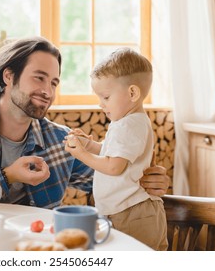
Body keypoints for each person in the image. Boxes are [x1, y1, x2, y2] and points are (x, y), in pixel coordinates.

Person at [0, 37, 170, 209]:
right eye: (39, 78)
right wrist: (6, 177)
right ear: (8, 76)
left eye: (53, 83)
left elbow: (113, 177)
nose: (47, 92)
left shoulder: (59, 142)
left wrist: (146, 177)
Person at [65, 48, 168, 250]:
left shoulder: (129, 124)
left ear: (132, 93)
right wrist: (89, 145)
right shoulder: (126, 122)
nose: (101, 104)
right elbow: (111, 153)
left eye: (105, 97)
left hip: (134, 212)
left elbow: (114, 167)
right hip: (124, 210)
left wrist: (81, 154)